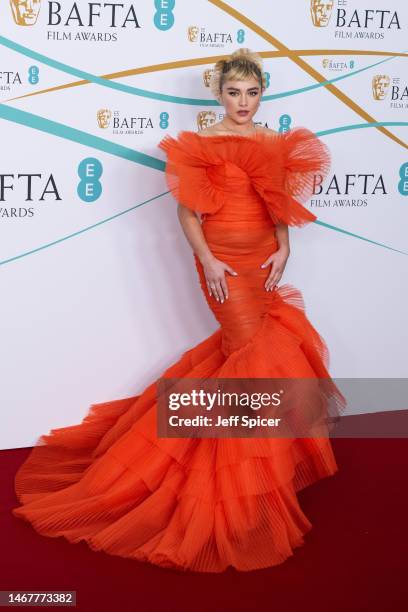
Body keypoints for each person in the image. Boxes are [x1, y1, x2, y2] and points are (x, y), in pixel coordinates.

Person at [12, 48, 346, 573]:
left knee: (249, 360)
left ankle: (252, 477)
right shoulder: (198, 143)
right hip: (222, 264)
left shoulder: (273, 141)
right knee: (253, 359)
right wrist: (208, 260)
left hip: (263, 257)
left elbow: (277, 199)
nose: (242, 102)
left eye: (251, 92)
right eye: (233, 92)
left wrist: (286, 246)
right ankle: (233, 490)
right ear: (218, 94)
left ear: (263, 94)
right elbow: (186, 211)